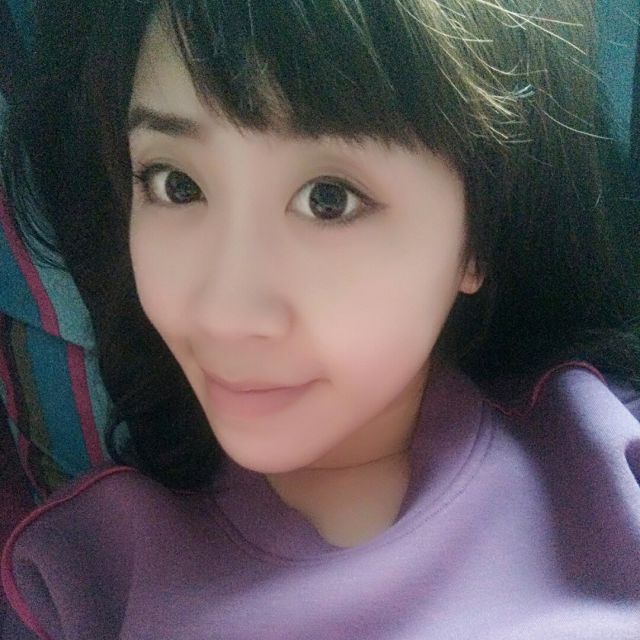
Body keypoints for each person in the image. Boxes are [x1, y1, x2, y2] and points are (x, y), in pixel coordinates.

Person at [1, 0, 640, 637]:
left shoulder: (606, 457)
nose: (225, 315)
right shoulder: (78, 574)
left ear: (476, 235)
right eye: (177, 185)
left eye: (328, 200)